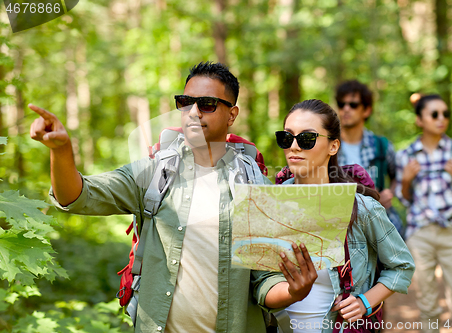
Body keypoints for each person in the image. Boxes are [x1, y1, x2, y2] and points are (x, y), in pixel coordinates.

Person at [29, 61, 318, 333]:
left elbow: (264, 281)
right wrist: (61, 151)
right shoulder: (153, 173)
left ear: (232, 114)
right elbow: (77, 196)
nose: (194, 112)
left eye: (206, 104)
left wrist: (294, 291)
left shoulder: (254, 186)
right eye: (185, 102)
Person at [275, 99, 415, 332]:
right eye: (287, 137)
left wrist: (365, 303)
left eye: (307, 138)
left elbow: (402, 266)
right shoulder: (266, 203)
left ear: (333, 146)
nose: (294, 146)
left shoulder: (361, 208)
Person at [395, 94, 452, 333]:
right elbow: (403, 199)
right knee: (428, 308)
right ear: (419, 120)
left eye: (446, 114)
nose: (441, 118)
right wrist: (405, 181)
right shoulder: (406, 155)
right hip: (420, 234)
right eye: (434, 114)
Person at [335, 80, 404, 237]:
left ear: (366, 110)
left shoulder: (382, 145)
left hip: (381, 225)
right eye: (341, 104)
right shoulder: (327, 147)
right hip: (341, 227)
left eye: (353, 105)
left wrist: (389, 193)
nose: (346, 109)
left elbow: (397, 176)